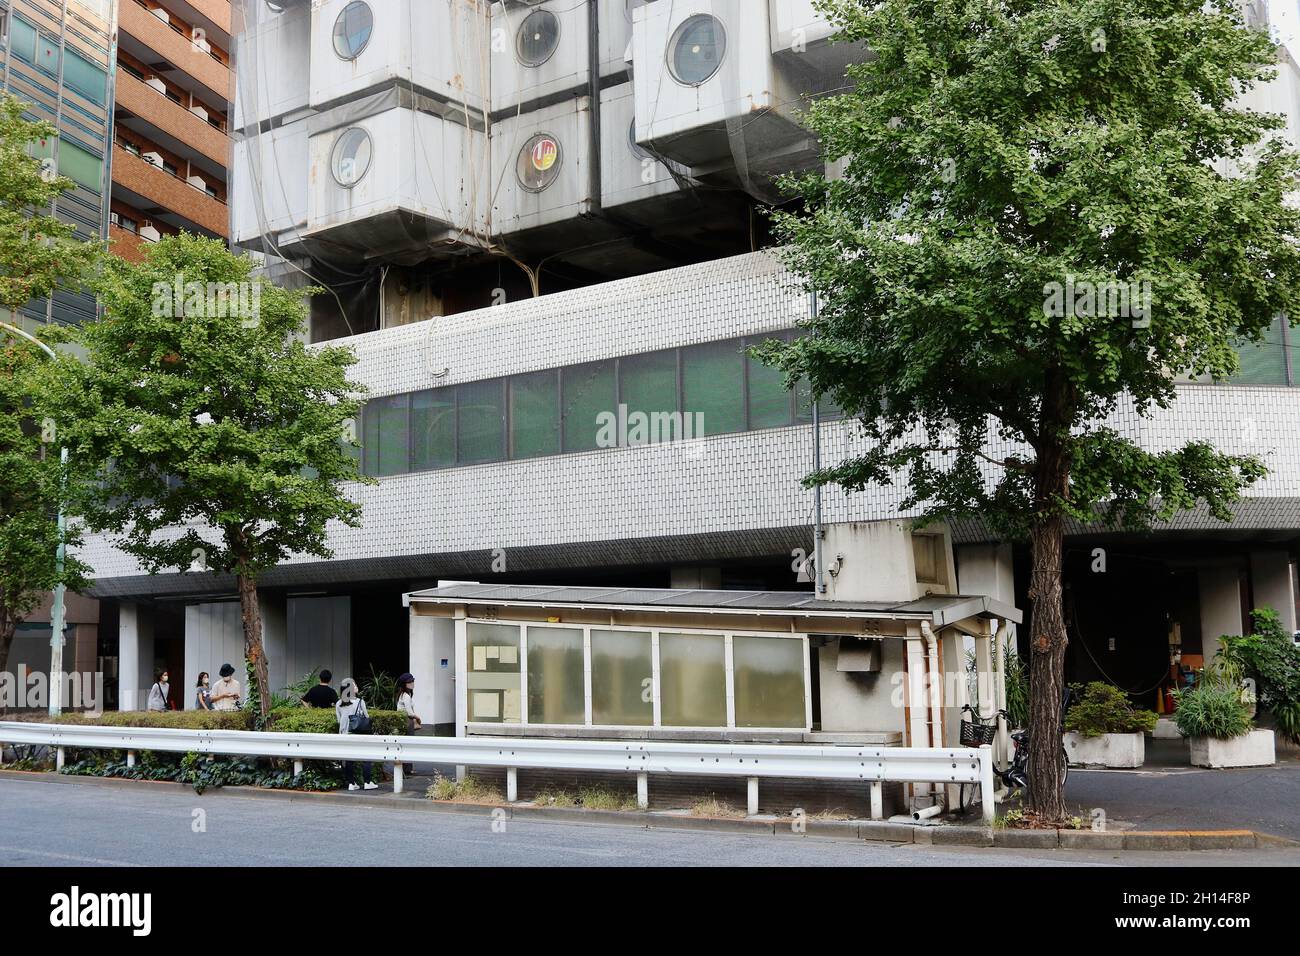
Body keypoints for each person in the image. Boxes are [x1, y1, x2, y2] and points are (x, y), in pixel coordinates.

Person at [336, 678, 377, 791]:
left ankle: (351, 783)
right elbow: (367, 717)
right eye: (354, 686)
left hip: (344, 735)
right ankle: (367, 782)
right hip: (358, 734)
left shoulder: (339, 703)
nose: (356, 687)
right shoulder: (359, 701)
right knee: (366, 757)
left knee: (349, 759)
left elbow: (339, 721)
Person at [395, 672, 421, 775]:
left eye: (412, 681)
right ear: (404, 684)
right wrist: (418, 718)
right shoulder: (405, 695)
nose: (412, 683)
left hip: (403, 721)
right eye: (409, 682)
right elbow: (410, 713)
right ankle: (408, 769)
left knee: (405, 745)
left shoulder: (403, 694)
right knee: (408, 745)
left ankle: (406, 768)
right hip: (407, 721)